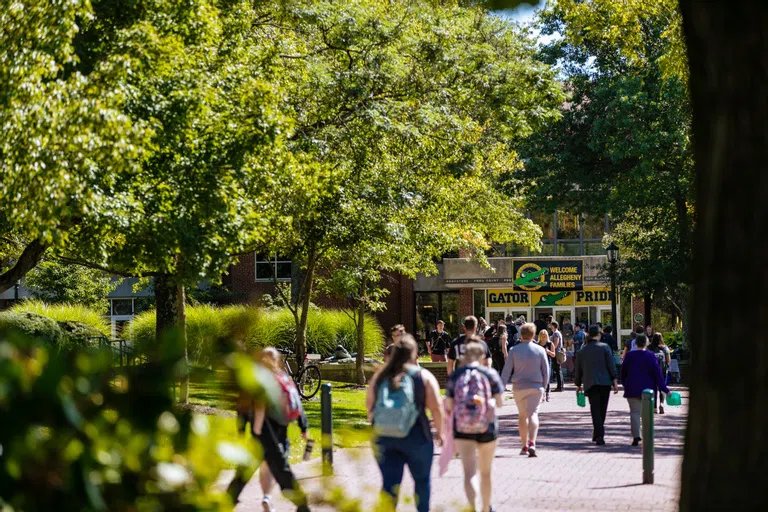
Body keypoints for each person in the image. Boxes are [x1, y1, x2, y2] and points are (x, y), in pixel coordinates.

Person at [367, 335, 443, 512]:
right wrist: (441, 432)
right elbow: (436, 407)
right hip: (417, 436)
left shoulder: (380, 377)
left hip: (384, 437)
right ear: (414, 353)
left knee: (389, 485)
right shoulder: (423, 376)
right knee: (422, 482)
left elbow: (370, 408)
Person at [445, 339, 504, 512]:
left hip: (462, 427)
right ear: (482, 356)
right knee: (485, 472)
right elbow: (500, 403)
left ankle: (472, 508)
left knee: (469, 473)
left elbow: (449, 405)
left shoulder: (456, 375)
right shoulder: (490, 374)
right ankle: (486, 508)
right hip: (488, 427)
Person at [251, 348, 311, 512]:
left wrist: (255, 430)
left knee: (271, 465)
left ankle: (270, 497)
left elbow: (259, 407)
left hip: (265, 429)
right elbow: (297, 404)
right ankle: (295, 502)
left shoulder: (262, 379)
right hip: (281, 427)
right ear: (278, 360)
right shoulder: (284, 378)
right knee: (279, 465)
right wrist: (303, 427)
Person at [500, 323, 549, 457]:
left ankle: (524, 446)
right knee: (533, 414)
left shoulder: (514, 351)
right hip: (536, 386)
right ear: (533, 335)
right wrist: (544, 388)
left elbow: (506, 371)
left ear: (521, 335)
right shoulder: (540, 350)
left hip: (519, 387)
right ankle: (532, 442)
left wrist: (500, 389)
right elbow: (546, 372)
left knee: (522, 415)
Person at [620, 334, 670, 445]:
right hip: (648, 390)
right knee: (647, 414)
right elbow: (658, 375)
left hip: (632, 388)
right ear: (646, 343)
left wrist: (624, 384)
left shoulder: (629, 356)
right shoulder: (650, 356)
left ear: (636, 343)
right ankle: (647, 436)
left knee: (635, 412)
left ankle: (636, 436)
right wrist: (665, 389)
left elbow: (623, 372)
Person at [574, 325, 618, 445]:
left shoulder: (582, 351)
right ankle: (599, 434)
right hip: (605, 383)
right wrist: (614, 380)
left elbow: (578, 369)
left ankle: (598, 433)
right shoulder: (605, 348)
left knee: (595, 409)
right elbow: (611, 365)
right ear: (598, 334)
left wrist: (578, 384)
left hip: (590, 383)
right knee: (602, 409)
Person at [648, 333, 672, 414]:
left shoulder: (649, 348)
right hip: (662, 371)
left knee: (653, 389)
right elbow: (668, 361)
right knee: (662, 388)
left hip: (651, 371)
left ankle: (654, 407)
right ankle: (661, 404)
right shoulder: (665, 348)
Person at [538, 329, 556, 402]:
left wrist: (548, 351)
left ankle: (547, 393)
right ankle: (542, 394)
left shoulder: (550, 343)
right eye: (542, 336)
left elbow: (554, 355)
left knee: (547, 378)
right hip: (539, 362)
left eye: (544, 336)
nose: (543, 338)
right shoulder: (537, 344)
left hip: (547, 362)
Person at [550, 320, 564, 392]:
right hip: (557, 353)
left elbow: (555, 343)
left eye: (551, 325)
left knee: (557, 369)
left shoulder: (556, 334)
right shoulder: (556, 333)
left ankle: (559, 387)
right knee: (558, 370)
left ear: (554, 326)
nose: (550, 327)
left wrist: (552, 350)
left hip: (556, 353)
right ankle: (560, 386)